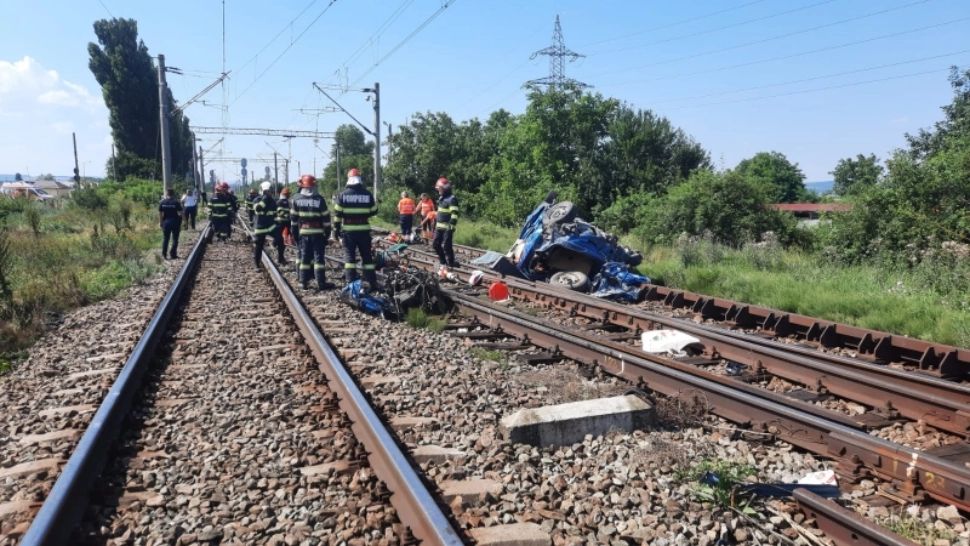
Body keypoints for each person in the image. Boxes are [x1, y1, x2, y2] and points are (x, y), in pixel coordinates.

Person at [333, 168, 378, 287]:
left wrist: (336, 230)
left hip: (348, 231)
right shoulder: (367, 194)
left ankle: (350, 281)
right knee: (367, 256)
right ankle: (370, 281)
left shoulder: (342, 195)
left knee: (349, 257)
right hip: (364, 230)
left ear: (349, 180)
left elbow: (337, 215)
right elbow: (373, 211)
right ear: (359, 180)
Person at [291, 174, 334, 290]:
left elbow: (294, 221)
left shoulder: (297, 199)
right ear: (314, 186)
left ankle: (303, 282)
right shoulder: (319, 200)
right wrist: (327, 235)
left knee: (304, 258)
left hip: (303, 233)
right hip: (318, 234)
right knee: (318, 259)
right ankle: (321, 282)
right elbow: (326, 220)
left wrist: (295, 236)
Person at [253, 181, 286, 268]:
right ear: (264, 191)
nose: (271, 193)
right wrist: (265, 199)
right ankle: (257, 264)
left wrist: (280, 218)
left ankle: (281, 259)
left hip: (271, 226)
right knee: (258, 246)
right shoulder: (257, 200)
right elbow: (258, 209)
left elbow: (276, 212)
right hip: (260, 227)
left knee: (280, 241)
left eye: (271, 191)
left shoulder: (272, 201)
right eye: (269, 191)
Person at [433, 176, 459, 268]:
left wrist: (451, 226)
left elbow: (454, 214)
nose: (438, 190)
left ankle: (451, 264)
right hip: (439, 227)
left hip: (447, 228)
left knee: (447, 247)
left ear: (445, 188)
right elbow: (440, 213)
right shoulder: (441, 198)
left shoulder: (452, 199)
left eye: (439, 188)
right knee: (435, 245)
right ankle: (443, 262)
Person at [158, 189, 183, 259]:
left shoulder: (162, 202)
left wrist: (161, 222)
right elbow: (181, 213)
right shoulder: (176, 202)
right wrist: (183, 221)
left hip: (166, 223)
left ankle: (164, 255)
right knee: (175, 239)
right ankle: (173, 254)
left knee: (166, 239)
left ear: (166, 194)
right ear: (173, 194)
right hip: (175, 222)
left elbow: (160, 214)